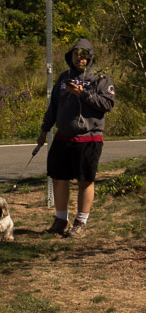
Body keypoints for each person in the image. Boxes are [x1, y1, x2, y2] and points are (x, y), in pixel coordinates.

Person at [37, 38, 115, 238]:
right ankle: (61, 220)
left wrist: (84, 94)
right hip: (63, 138)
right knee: (58, 178)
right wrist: (44, 130)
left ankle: (81, 222)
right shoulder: (63, 79)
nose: (79, 58)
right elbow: (53, 106)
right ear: (70, 56)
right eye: (76, 54)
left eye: (84, 55)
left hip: (89, 138)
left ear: (90, 57)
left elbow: (107, 104)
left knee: (85, 181)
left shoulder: (100, 78)